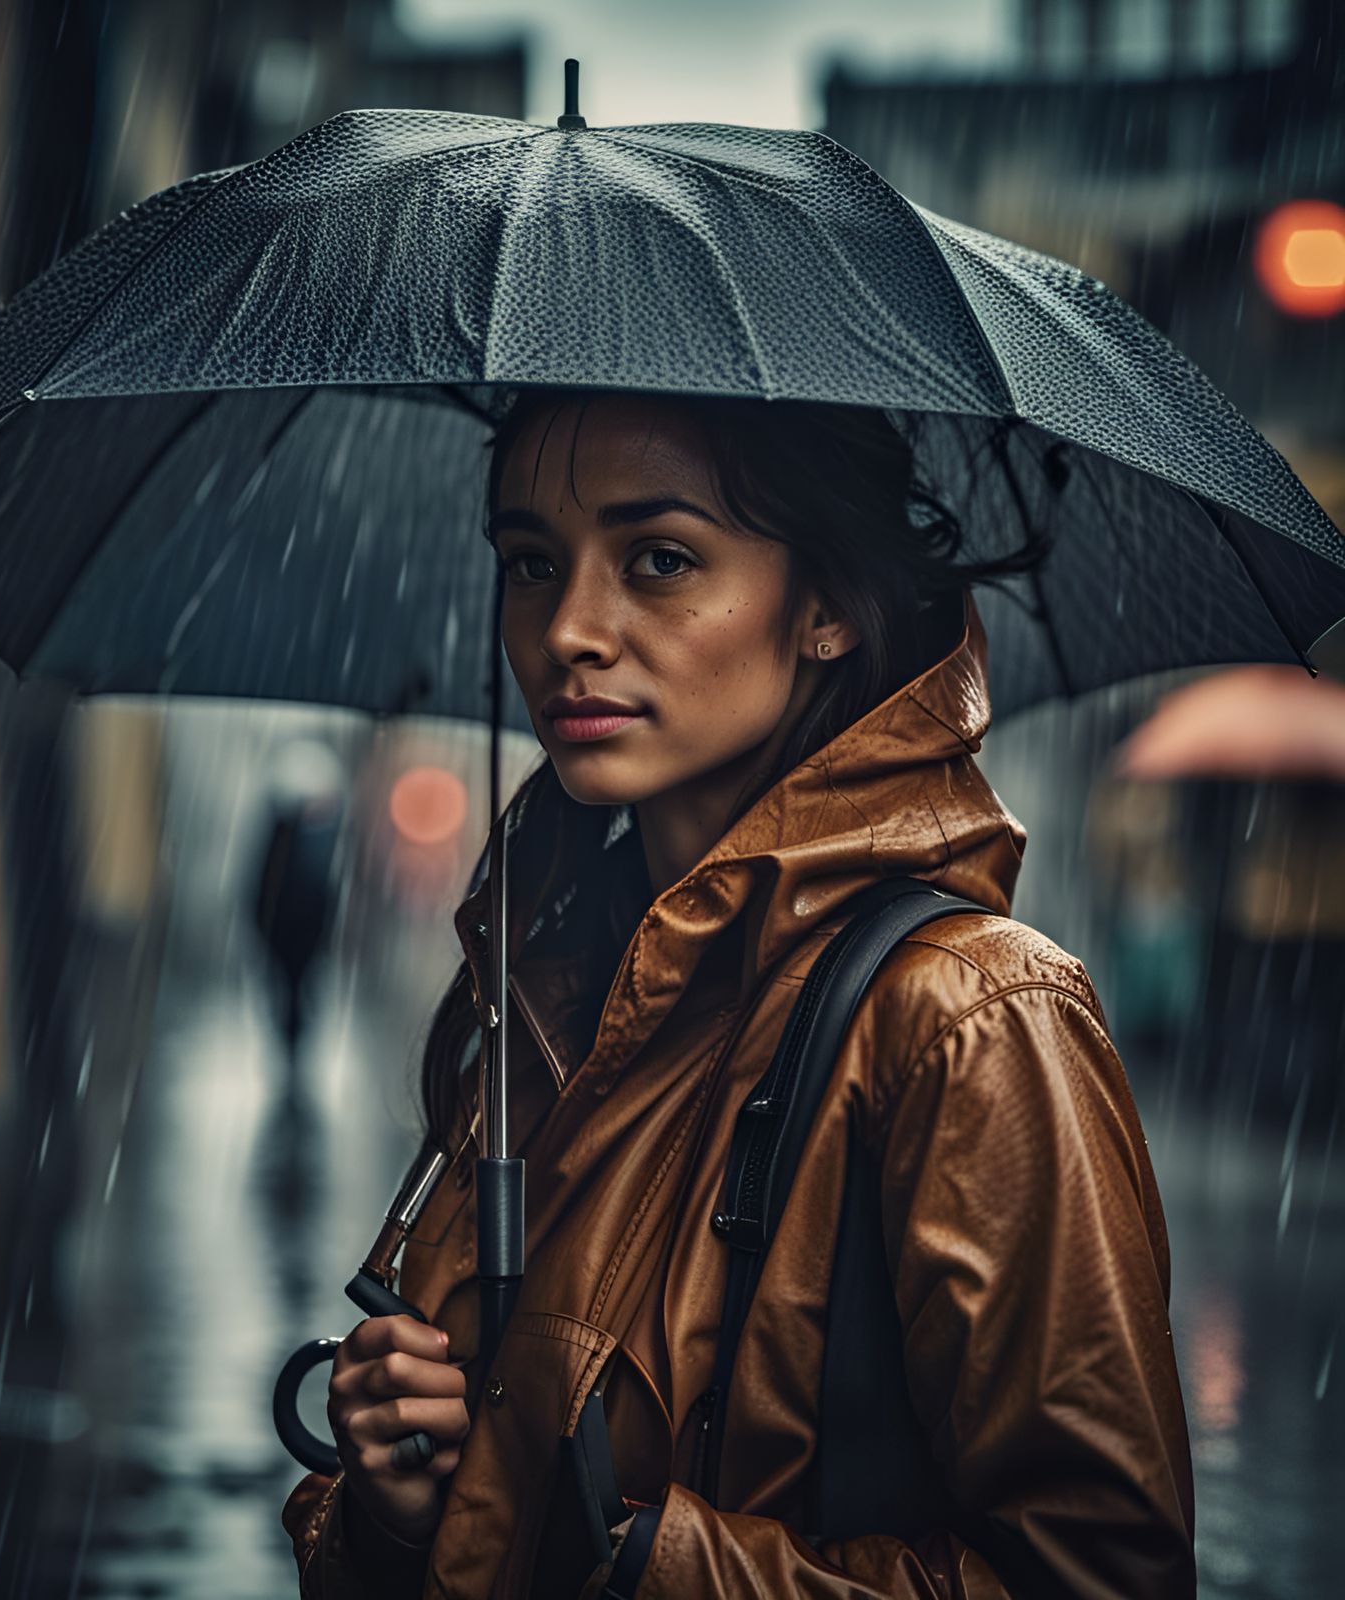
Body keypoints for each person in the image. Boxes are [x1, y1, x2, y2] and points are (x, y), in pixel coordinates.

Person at [282, 389, 1197, 1598]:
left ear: (823, 607)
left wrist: (652, 1567)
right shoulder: (548, 1002)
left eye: (659, 558)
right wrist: (399, 1510)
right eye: (530, 562)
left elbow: (1098, 1579)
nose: (567, 628)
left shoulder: (973, 1022)